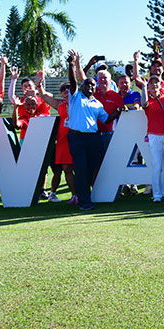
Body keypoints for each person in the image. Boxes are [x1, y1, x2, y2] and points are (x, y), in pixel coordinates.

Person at [65, 50, 111, 211]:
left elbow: (107, 119)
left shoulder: (98, 104)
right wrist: (71, 64)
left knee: (92, 168)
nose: (90, 86)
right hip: (77, 138)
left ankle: (90, 197)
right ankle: (84, 202)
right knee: (81, 169)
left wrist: (120, 110)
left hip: (93, 138)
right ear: (82, 85)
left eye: (93, 84)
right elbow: (72, 80)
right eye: (87, 84)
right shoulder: (75, 96)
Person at [141, 75, 164, 202]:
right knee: (157, 166)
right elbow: (143, 103)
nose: (154, 85)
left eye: (156, 83)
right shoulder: (147, 99)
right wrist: (144, 88)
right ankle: (157, 195)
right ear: (148, 86)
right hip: (154, 135)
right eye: (152, 83)